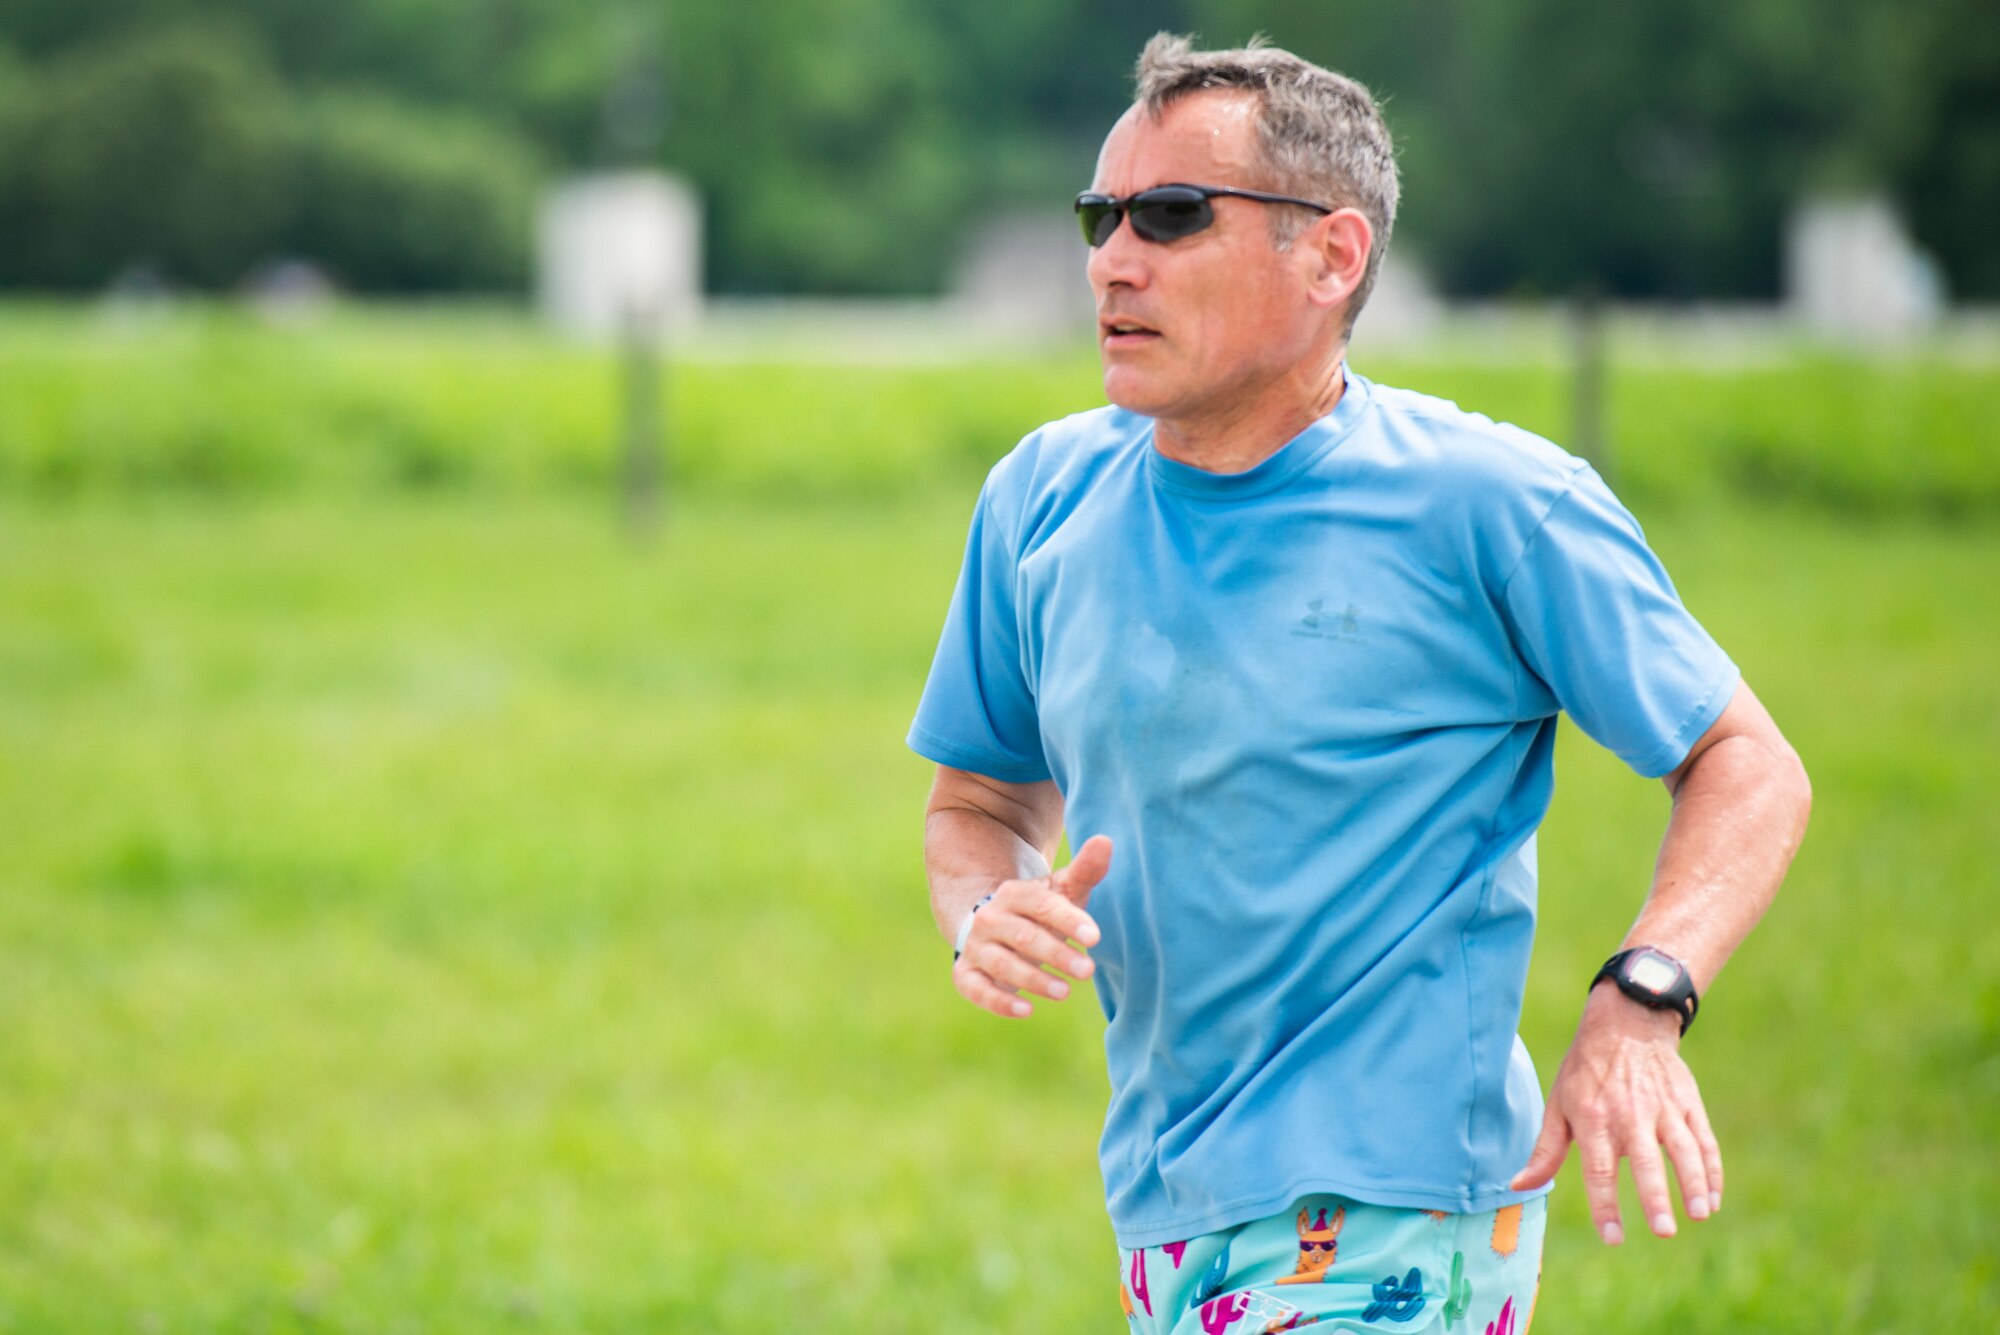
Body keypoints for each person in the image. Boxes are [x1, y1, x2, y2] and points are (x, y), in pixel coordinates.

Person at [908, 33, 1810, 1335]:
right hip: (1166, 1206)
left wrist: (1643, 1000)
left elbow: (1747, 764)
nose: (1113, 258)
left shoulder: (1492, 503)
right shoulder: (1041, 498)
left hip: (1396, 1210)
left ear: (1332, 256)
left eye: (1171, 216)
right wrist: (986, 908)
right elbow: (976, 803)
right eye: (1103, 217)